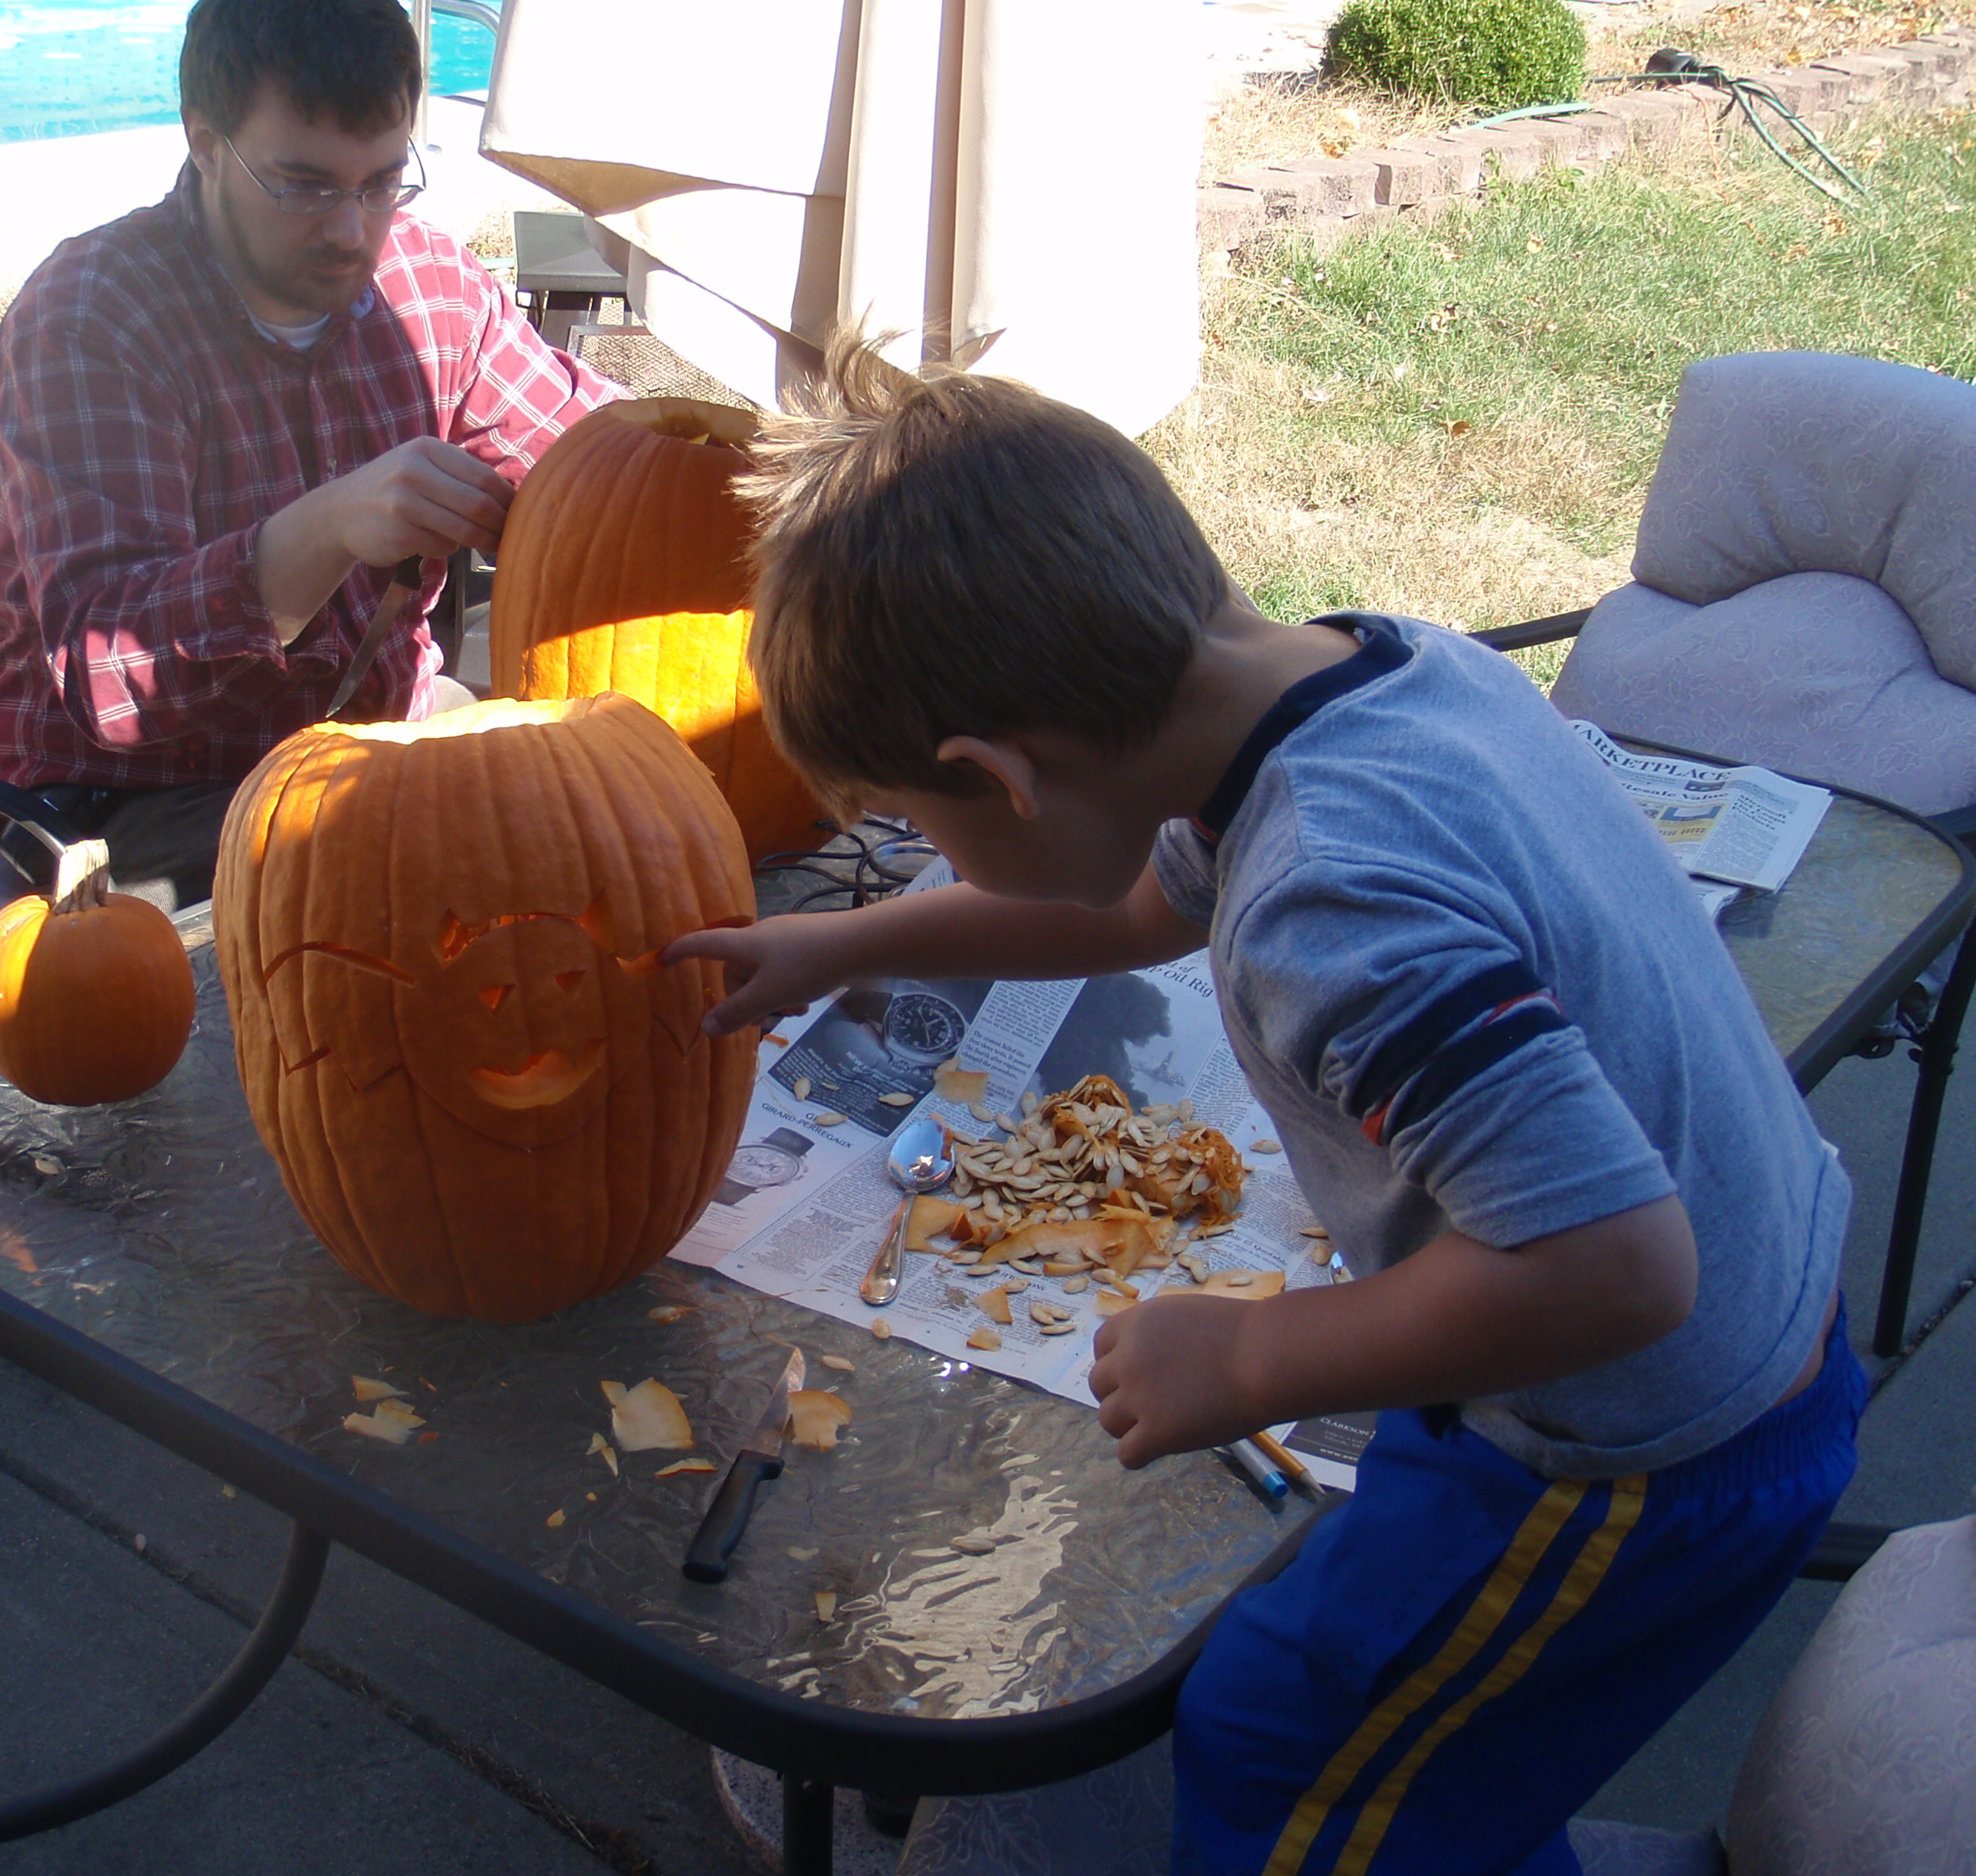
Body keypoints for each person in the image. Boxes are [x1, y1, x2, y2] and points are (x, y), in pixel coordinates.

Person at [665, 343, 1861, 1876]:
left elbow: (1616, 1265)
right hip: (1751, 1307)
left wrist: (1250, 1356)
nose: (927, 857)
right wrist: (849, 941)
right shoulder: (1367, 677)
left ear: (1000, 776)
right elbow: (1130, 910)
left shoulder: (1331, 905)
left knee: (1305, 1764)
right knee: (1400, 1729)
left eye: (919, 829)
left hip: (1634, 1445)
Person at [0, 0, 620, 909]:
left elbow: (607, 468)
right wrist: (329, 528)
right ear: (205, 143)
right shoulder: (91, 323)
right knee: (456, 864)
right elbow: (112, 685)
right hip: (117, 799)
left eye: (382, 182)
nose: (352, 231)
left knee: (614, 790)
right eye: (304, 186)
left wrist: (765, 477)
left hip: (368, 743)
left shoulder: (431, 287)